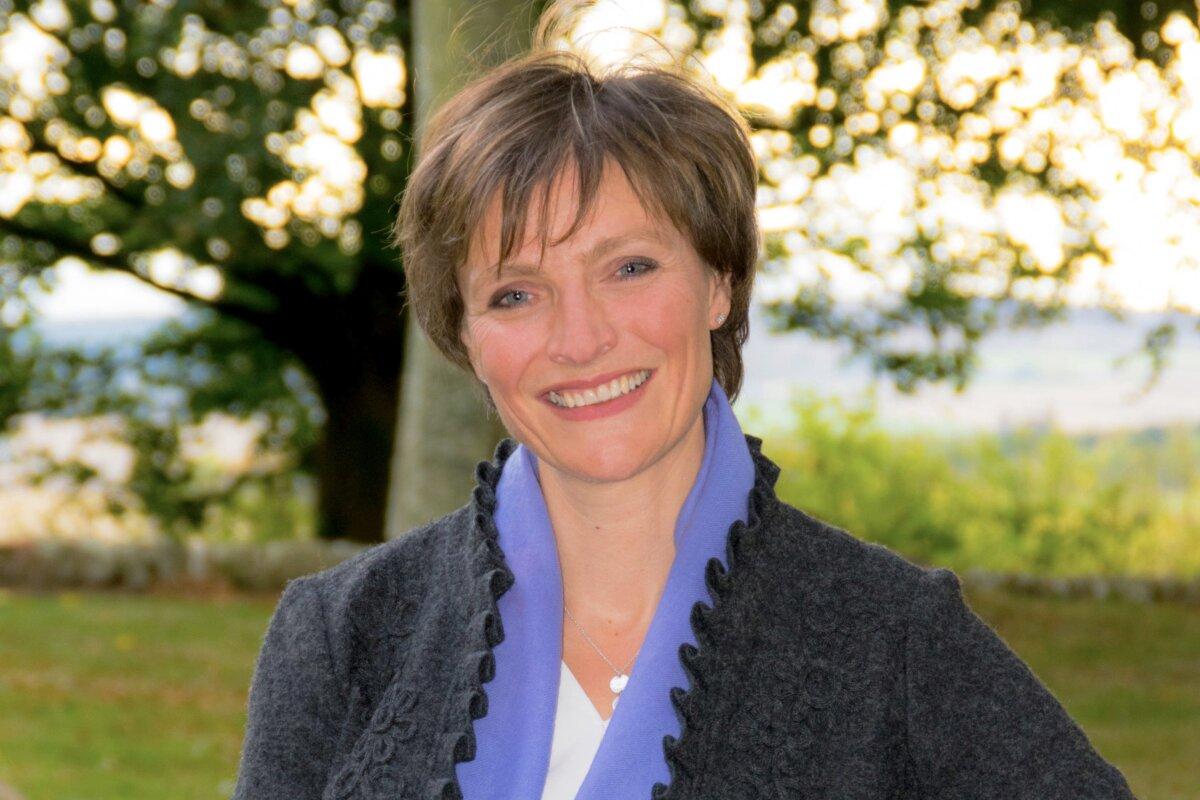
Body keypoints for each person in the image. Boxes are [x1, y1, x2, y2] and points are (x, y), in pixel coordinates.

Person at [231, 11, 1138, 800]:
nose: (579, 339)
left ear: (718, 283)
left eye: (629, 268)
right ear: (465, 334)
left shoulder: (892, 640)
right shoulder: (341, 638)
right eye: (515, 293)